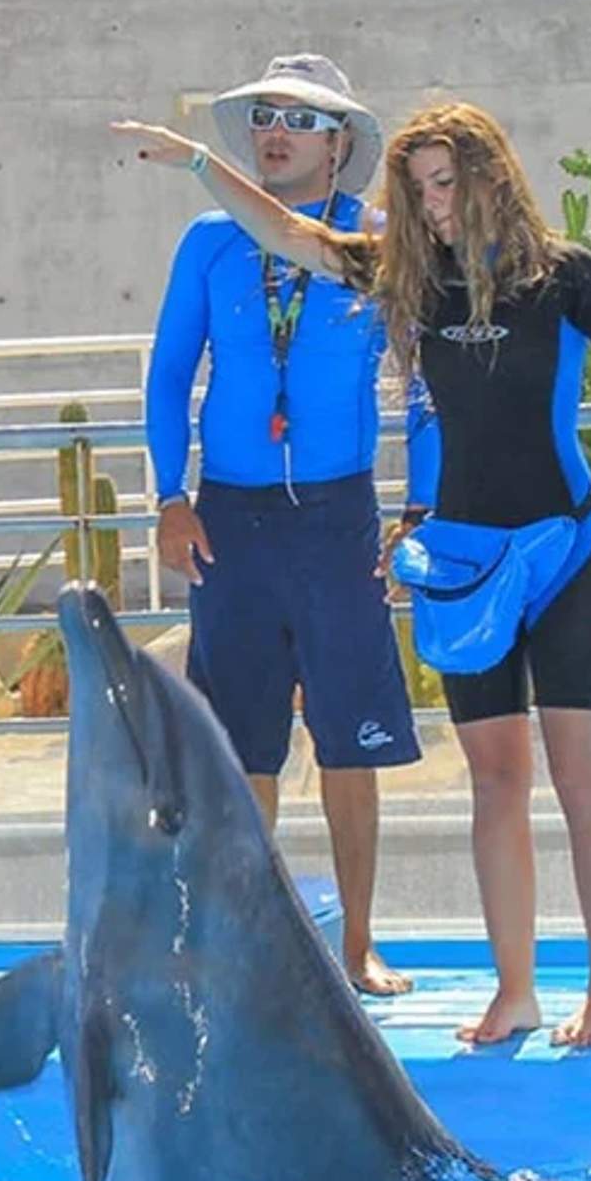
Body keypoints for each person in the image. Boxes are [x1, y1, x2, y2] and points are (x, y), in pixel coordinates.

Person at [113, 100, 591, 1049]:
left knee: (582, 779)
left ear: (491, 176)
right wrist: (194, 166)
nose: (430, 205)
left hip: (563, 552)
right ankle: (516, 991)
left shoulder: (569, 277)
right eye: (417, 188)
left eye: (445, 183)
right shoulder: (413, 283)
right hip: (466, 566)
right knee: (495, 780)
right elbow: (292, 233)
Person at [143, 54, 423, 998]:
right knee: (243, 743)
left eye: (299, 120)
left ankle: (357, 945)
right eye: (264, 114)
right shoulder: (210, 243)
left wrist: (420, 505)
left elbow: (425, 387)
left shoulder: (380, 243)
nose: (275, 131)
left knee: (351, 739)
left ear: (340, 143)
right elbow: (169, 376)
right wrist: (168, 497)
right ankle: (253, 947)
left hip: (338, 518)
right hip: (231, 515)